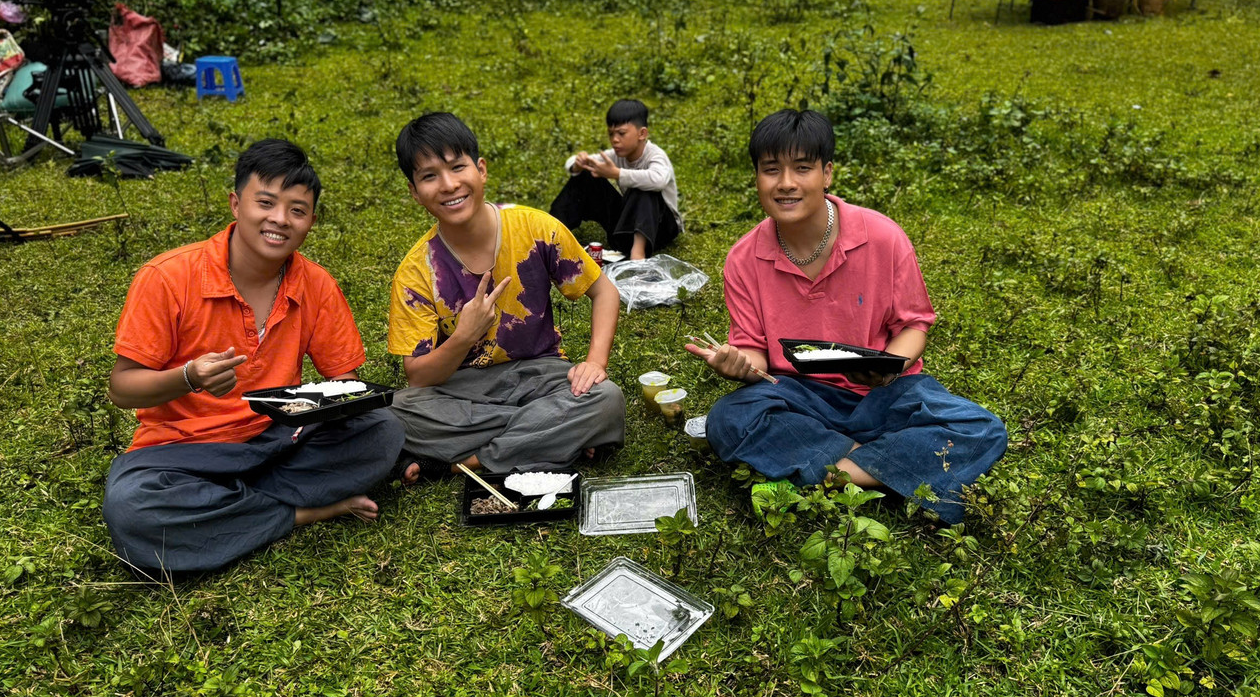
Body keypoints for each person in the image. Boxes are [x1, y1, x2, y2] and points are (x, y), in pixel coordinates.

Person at [685, 109, 1007, 525]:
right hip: (799, 396)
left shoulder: (882, 236)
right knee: (728, 419)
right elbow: (755, 353)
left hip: (886, 394)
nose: (786, 183)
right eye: (771, 170)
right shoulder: (744, 258)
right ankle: (888, 471)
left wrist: (889, 367)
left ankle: (832, 475)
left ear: (828, 173)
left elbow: (913, 324)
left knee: (983, 429)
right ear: (757, 178)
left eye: (802, 168)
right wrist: (738, 365)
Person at [102, 139, 405, 575]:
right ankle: (305, 513)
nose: (280, 220)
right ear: (235, 204)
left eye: (297, 210)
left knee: (382, 431)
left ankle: (230, 508)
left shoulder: (316, 284)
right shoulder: (167, 277)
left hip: (277, 441)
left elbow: (346, 386)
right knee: (133, 508)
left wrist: (330, 402)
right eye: (266, 202)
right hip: (182, 451)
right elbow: (122, 388)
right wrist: (189, 377)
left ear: (311, 222)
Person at [388, 112, 625, 481]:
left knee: (606, 398)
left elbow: (604, 291)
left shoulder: (535, 227)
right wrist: (465, 335)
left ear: (481, 170)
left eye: (457, 167)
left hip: (540, 376)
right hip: (462, 390)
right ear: (414, 192)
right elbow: (418, 378)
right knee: (393, 411)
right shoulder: (417, 271)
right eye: (429, 176)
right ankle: (555, 435)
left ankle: (464, 464)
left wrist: (595, 362)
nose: (449, 185)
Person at [550, 98, 682, 260]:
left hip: (660, 228)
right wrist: (579, 164)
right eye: (611, 134)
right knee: (587, 174)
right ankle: (551, 233)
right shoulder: (617, 155)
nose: (615, 139)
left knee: (643, 185)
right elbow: (571, 162)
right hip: (627, 227)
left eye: (621, 133)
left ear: (642, 134)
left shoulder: (655, 155)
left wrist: (617, 173)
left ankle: (637, 253)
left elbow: (658, 180)